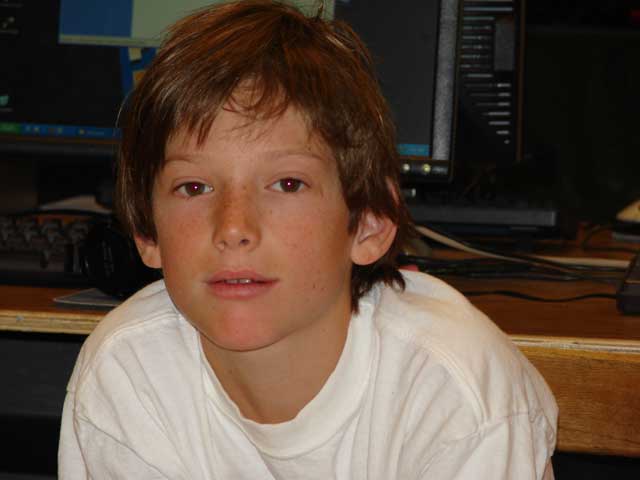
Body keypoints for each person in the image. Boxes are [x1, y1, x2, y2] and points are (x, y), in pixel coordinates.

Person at [58, 1, 558, 478]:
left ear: (370, 222)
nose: (233, 228)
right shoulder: (128, 371)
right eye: (194, 187)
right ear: (147, 231)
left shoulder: (452, 393)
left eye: (287, 184)